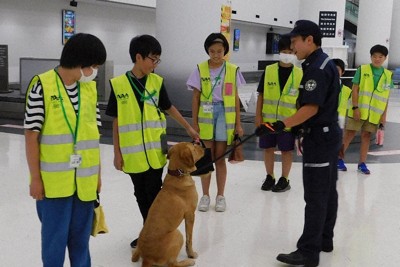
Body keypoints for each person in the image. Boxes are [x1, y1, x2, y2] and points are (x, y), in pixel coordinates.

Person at [256, 20, 341, 266]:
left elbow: (311, 108)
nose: (292, 47)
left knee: (316, 195)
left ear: (309, 40)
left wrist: (283, 124)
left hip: (319, 137)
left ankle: (308, 251)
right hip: (327, 134)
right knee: (327, 191)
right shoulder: (321, 62)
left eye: (294, 42)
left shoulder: (315, 68)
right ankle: (325, 239)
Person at [105, 34, 199, 248]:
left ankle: (157, 234)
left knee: (157, 196)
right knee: (140, 195)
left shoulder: (157, 82)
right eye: (153, 59)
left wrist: (189, 128)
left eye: (158, 60)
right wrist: (116, 153)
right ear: (139, 57)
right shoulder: (118, 85)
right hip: (133, 155)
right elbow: (117, 122)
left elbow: (169, 108)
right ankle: (150, 232)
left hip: (156, 152)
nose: (155, 64)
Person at [24, 33, 107, 267]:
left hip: (86, 182)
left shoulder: (89, 91)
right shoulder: (42, 84)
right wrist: (35, 179)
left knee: (81, 240)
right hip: (53, 184)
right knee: (54, 241)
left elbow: (94, 137)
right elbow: (31, 136)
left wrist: (98, 176)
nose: (94, 72)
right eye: (93, 66)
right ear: (81, 62)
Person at [187, 32, 245, 212]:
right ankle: (205, 196)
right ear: (208, 51)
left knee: (219, 158)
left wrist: (238, 124)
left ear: (225, 51)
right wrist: (194, 122)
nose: (216, 55)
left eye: (219, 51)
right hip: (205, 117)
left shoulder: (232, 69)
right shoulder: (200, 69)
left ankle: (220, 196)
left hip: (225, 118)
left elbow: (235, 98)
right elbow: (195, 97)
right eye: (212, 51)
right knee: (206, 159)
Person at [255, 34, 302, 192]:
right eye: (284, 51)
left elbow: (300, 102)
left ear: (295, 52)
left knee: (286, 151)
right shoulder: (269, 70)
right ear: (278, 52)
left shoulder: (300, 74)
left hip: (288, 123)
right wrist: (258, 118)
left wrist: (298, 123)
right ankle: (270, 176)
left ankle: (284, 178)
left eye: (290, 51)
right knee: (268, 149)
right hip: (268, 121)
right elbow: (261, 95)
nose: (287, 55)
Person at [338, 45, 393, 174]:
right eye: (374, 56)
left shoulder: (388, 75)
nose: (377, 59)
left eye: (380, 57)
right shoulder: (362, 70)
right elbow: (355, 89)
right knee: (349, 134)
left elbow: (386, 97)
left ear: (385, 58)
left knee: (366, 136)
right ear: (371, 57)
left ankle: (362, 163)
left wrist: (383, 116)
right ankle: (338, 159)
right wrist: (355, 107)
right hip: (358, 110)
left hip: (374, 114)